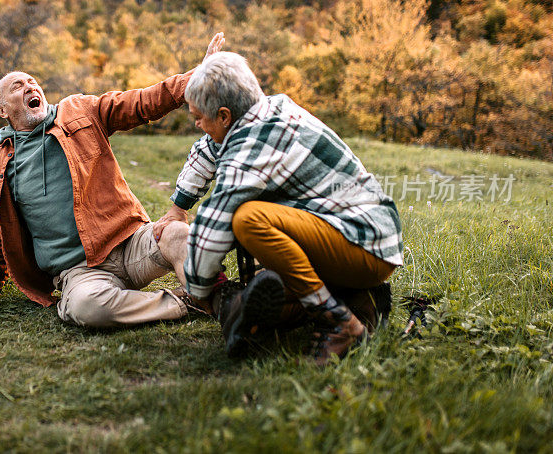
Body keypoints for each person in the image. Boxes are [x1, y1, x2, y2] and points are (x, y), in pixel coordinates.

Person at [158, 51, 403, 364]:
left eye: (199, 117)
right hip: (354, 235)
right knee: (271, 273)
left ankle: (344, 322)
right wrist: (179, 205)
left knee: (248, 219)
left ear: (224, 116)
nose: (195, 123)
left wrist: (198, 286)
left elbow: (216, 218)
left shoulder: (255, 142)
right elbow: (208, 149)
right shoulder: (260, 111)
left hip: (366, 245)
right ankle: (357, 298)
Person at [0, 33, 225, 328]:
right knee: (87, 308)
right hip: (80, 271)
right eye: (16, 87)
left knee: (180, 235)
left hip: (132, 243)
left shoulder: (79, 110)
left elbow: (142, 102)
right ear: (2, 110)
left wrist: (198, 76)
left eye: (32, 81)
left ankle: (226, 301)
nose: (29, 86)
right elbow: (0, 226)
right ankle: (184, 303)